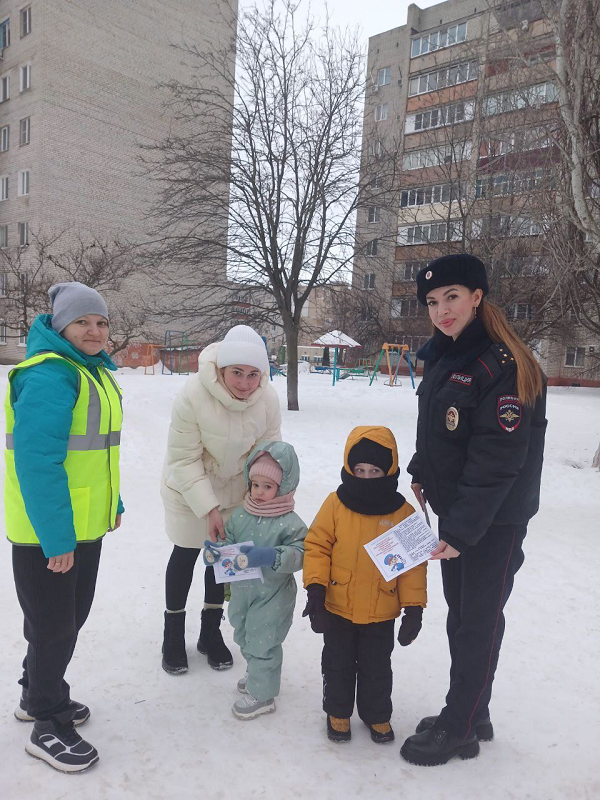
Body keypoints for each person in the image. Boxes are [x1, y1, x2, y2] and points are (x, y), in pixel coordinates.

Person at [400, 253, 547, 767]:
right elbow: (440, 432)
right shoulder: (449, 355)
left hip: (494, 521)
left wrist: (459, 530)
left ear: (478, 297)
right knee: (463, 617)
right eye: (434, 302)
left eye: (452, 297)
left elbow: (497, 461)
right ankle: (472, 710)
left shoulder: (503, 364)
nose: (441, 310)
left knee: (477, 622)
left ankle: (460, 727)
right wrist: (422, 469)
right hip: (460, 513)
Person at [6, 282, 124, 773]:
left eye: (100, 322)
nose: (94, 330)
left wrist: (112, 501)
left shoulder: (87, 371)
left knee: (63, 620)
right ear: (59, 327)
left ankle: (37, 690)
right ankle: (48, 722)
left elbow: (97, 451)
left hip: (80, 526)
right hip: (49, 534)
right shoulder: (52, 375)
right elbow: (38, 465)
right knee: (56, 628)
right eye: (82, 322)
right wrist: (57, 539)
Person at [160, 325, 281, 674]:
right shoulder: (193, 395)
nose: (245, 383)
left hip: (236, 494)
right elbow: (183, 459)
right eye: (237, 373)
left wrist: (264, 498)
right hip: (189, 487)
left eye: (253, 374)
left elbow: (269, 454)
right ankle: (172, 634)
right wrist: (208, 507)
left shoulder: (268, 400)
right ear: (221, 370)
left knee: (223, 561)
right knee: (185, 554)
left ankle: (210, 633)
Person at [302, 426, 427, 745]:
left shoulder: (403, 513)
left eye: (375, 470)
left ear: (390, 470)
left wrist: (414, 608)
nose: (367, 476)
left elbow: (413, 566)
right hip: (338, 607)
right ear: (349, 468)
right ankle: (338, 712)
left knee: (377, 668)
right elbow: (317, 545)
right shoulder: (335, 504)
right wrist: (315, 590)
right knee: (337, 664)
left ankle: (376, 714)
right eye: (360, 470)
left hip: (381, 610)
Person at [203, 442, 306, 719]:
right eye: (255, 485)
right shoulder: (241, 515)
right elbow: (230, 542)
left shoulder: (290, 522)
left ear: (283, 487)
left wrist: (272, 555)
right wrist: (217, 552)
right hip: (243, 592)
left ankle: (263, 695)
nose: (259, 492)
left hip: (273, 595)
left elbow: (301, 553)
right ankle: (258, 674)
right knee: (244, 635)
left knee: (264, 641)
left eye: (268, 487)